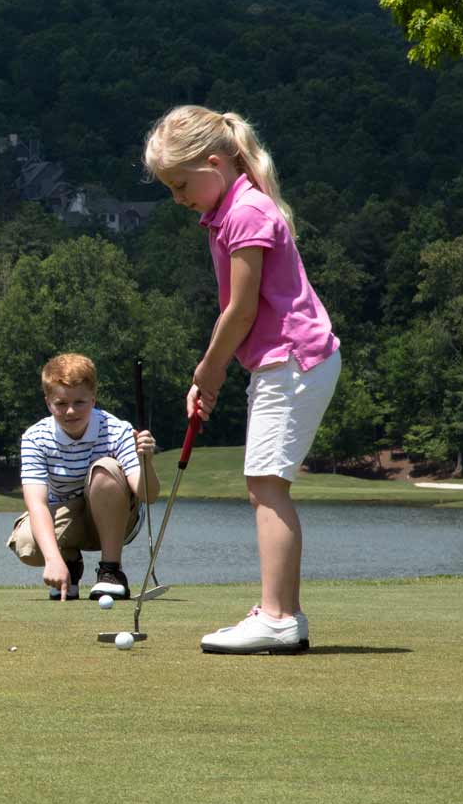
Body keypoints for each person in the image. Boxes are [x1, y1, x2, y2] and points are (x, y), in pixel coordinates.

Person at [142, 105, 341, 654]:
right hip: (282, 360)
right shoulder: (228, 212)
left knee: (266, 485)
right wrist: (213, 372)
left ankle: (278, 618)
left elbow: (242, 310)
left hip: (294, 358)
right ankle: (282, 613)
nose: (178, 198)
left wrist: (210, 368)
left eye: (182, 184)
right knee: (265, 484)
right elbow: (237, 313)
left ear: (213, 162)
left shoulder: (246, 212)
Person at [7, 353, 158, 601]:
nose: (70, 411)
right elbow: (37, 504)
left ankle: (110, 571)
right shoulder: (35, 437)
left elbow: (148, 495)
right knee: (27, 543)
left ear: (93, 399)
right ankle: (68, 567)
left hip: (119, 519)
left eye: (80, 402)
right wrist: (53, 559)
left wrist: (147, 463)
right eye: (60, 403)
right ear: (48, 402)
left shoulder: (117, 430)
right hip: (69, 515)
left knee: (104, 469)